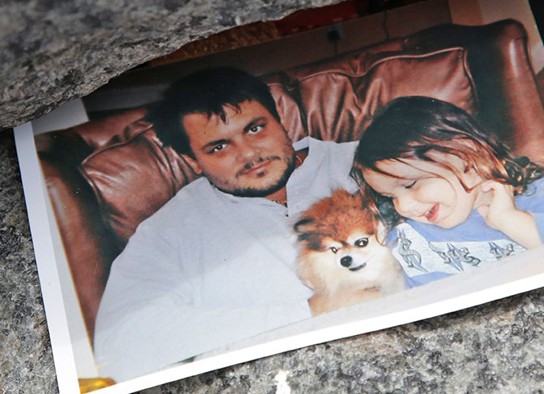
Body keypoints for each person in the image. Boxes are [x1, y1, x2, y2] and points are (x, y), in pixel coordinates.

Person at [94, 67, 358, 381]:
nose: (249, 154)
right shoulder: (169, 230)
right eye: (219, 147)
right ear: (192, 161)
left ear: (280, 120)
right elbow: (118, 348)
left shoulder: (365, 161)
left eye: (256, 129)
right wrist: (308, 311)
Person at [351, 96, 544, 286]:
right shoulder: (408, 233)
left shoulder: (542, 197)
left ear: (467, 155)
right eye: (390, 197)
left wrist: (511, 221)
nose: (404, 206)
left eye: (410, 184)